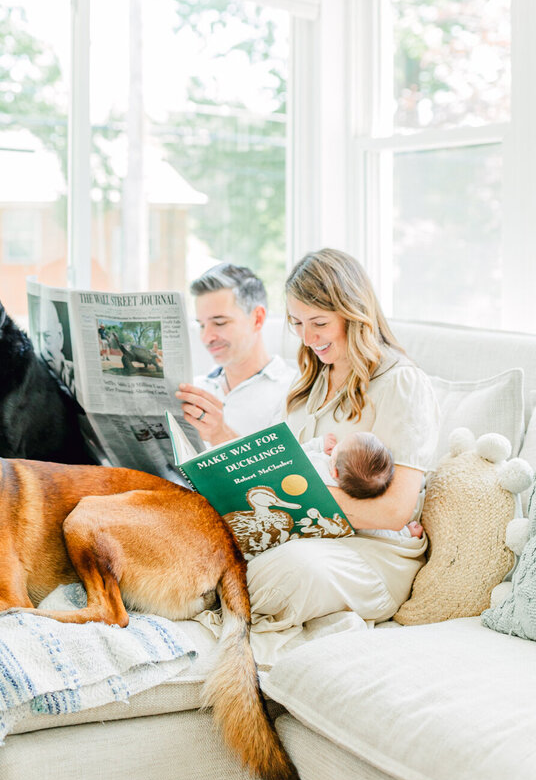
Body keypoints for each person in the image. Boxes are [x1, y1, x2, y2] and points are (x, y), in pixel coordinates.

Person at [238, 247, 439, 659]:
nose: (308, 338)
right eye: (296, 323)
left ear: (354, 312)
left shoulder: (401, 383)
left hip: (370, 554)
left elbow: (395, 510)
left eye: (319, 323)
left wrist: (297, 507)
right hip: (297, 533)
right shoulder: (306, 385)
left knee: (290, 569)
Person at [175, 263, 296, 446]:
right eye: (201, 325)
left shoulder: (292, 391)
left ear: (257, 319)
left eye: (220, 323)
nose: (207, 338)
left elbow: (284, 474)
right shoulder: (196, 387)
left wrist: (220, 435)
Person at [303, 431, 424, 539]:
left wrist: (319, 444)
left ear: (334, 472)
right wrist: (406, 533)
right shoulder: (360, 512)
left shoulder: (317, 467)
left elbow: (295, 452)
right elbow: (379, 531)